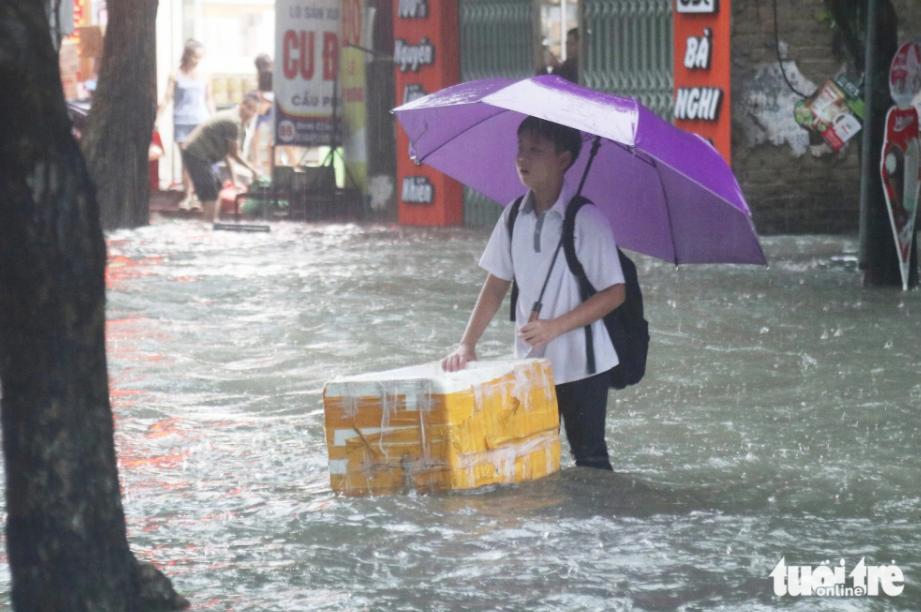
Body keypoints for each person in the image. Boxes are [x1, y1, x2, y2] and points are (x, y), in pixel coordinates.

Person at [442, 117, 625, 470]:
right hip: (530, 364)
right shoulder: (513, 216)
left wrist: (555, 326)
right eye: (520, 148)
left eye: (536, 150)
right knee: (531, 461)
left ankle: (597, 524)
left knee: (589, 460)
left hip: (583, 365)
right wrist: (467, 343)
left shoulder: (586, 219)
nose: (523, 158)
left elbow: (615, 293)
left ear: (563, 161)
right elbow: (496, 287)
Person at [181, 91, 262, 222]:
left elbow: (228, 154)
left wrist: (235, 180)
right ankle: (208, 223)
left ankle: (214, 221)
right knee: (210, 191)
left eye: (254, 111)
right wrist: (253, 170)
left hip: (202, 155)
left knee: (217, 186)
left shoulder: (238, 122)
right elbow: (235, 154)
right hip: (196, 153)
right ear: (242, 105)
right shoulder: (233, 121)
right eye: (248, 108)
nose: (250, 113)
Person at [155, 39, 216, 210]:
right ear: (188, 55)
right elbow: (167, 98)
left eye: (200, 57)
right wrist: (157, 118)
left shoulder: (205, 74)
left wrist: (214, 118)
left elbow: (209, 98)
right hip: (182, 120)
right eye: (195, 57)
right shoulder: (175, 74)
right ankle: (187, 194)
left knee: (201, 159)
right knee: (187, 160)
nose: (197, 61)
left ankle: (198, 195)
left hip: (201, 121)